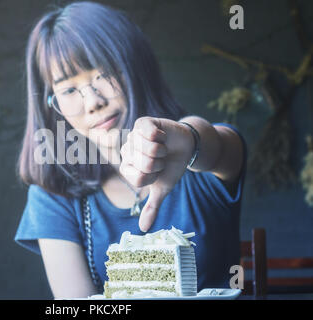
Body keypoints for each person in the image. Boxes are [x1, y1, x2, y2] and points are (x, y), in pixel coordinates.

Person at [14, 1, 246, 299]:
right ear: (52, 106)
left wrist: (189, 138)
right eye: (69, 90)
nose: (93, 102)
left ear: (134, 67)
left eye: (103, 73)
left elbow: (222, 146)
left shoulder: (200, 163)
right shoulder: (53, 194)